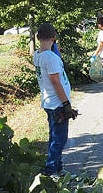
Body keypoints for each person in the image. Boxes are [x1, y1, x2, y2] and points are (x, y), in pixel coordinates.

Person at [33, 23, 79, 177]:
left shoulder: (37, 54)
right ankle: (51, 171)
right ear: (53, 38)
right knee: (59, 139)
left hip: (49, 101)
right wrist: (66, 104)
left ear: (38, 37)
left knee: (54, 136)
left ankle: (58, 168)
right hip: (57, 103)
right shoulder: (50, 58)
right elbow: (55, 82)